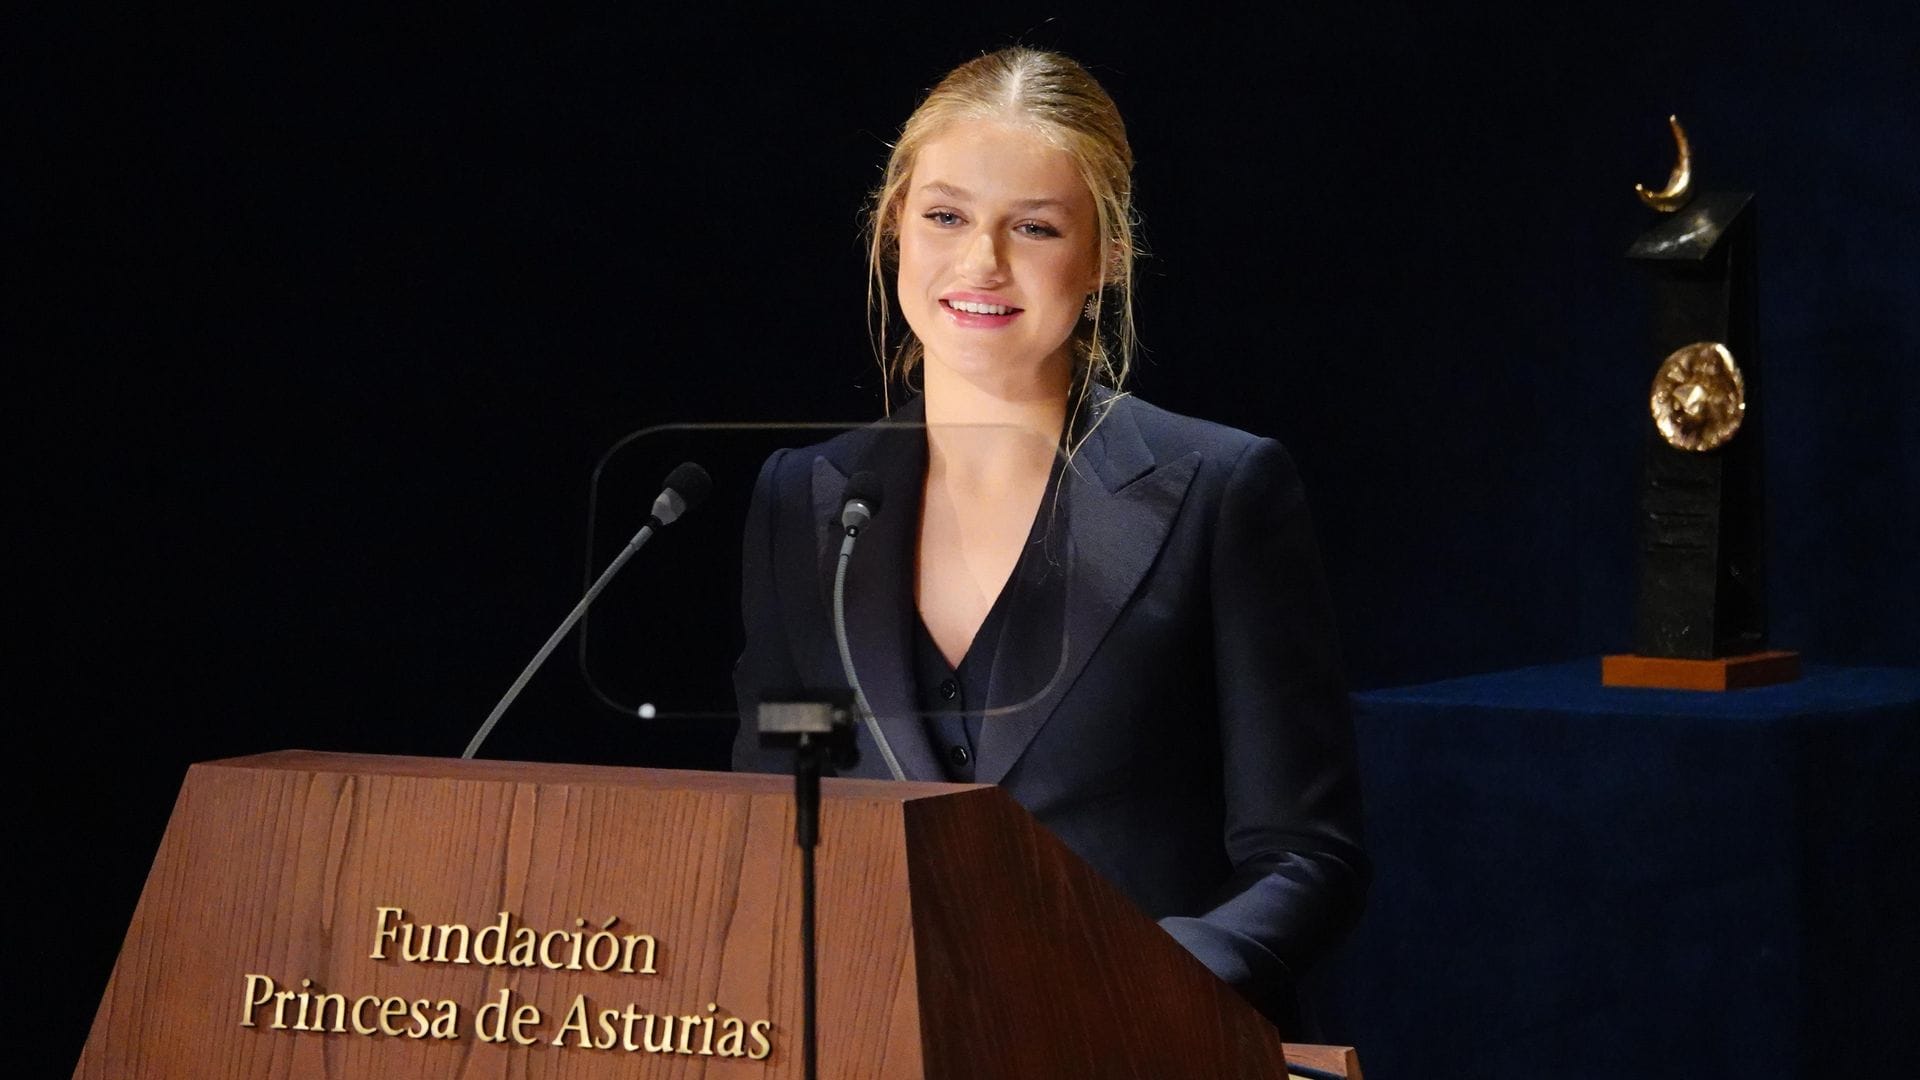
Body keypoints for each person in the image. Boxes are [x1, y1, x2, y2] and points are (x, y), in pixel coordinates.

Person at [731, 46, 1366, 1033]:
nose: (980, 261)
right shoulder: (799, 500)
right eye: (945, 216)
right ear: (893, 223)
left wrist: (1134, 983)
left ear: (1105, 255)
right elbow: (767, 826)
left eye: (1033, 227)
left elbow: (1305, 856)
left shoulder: (1224, 491)